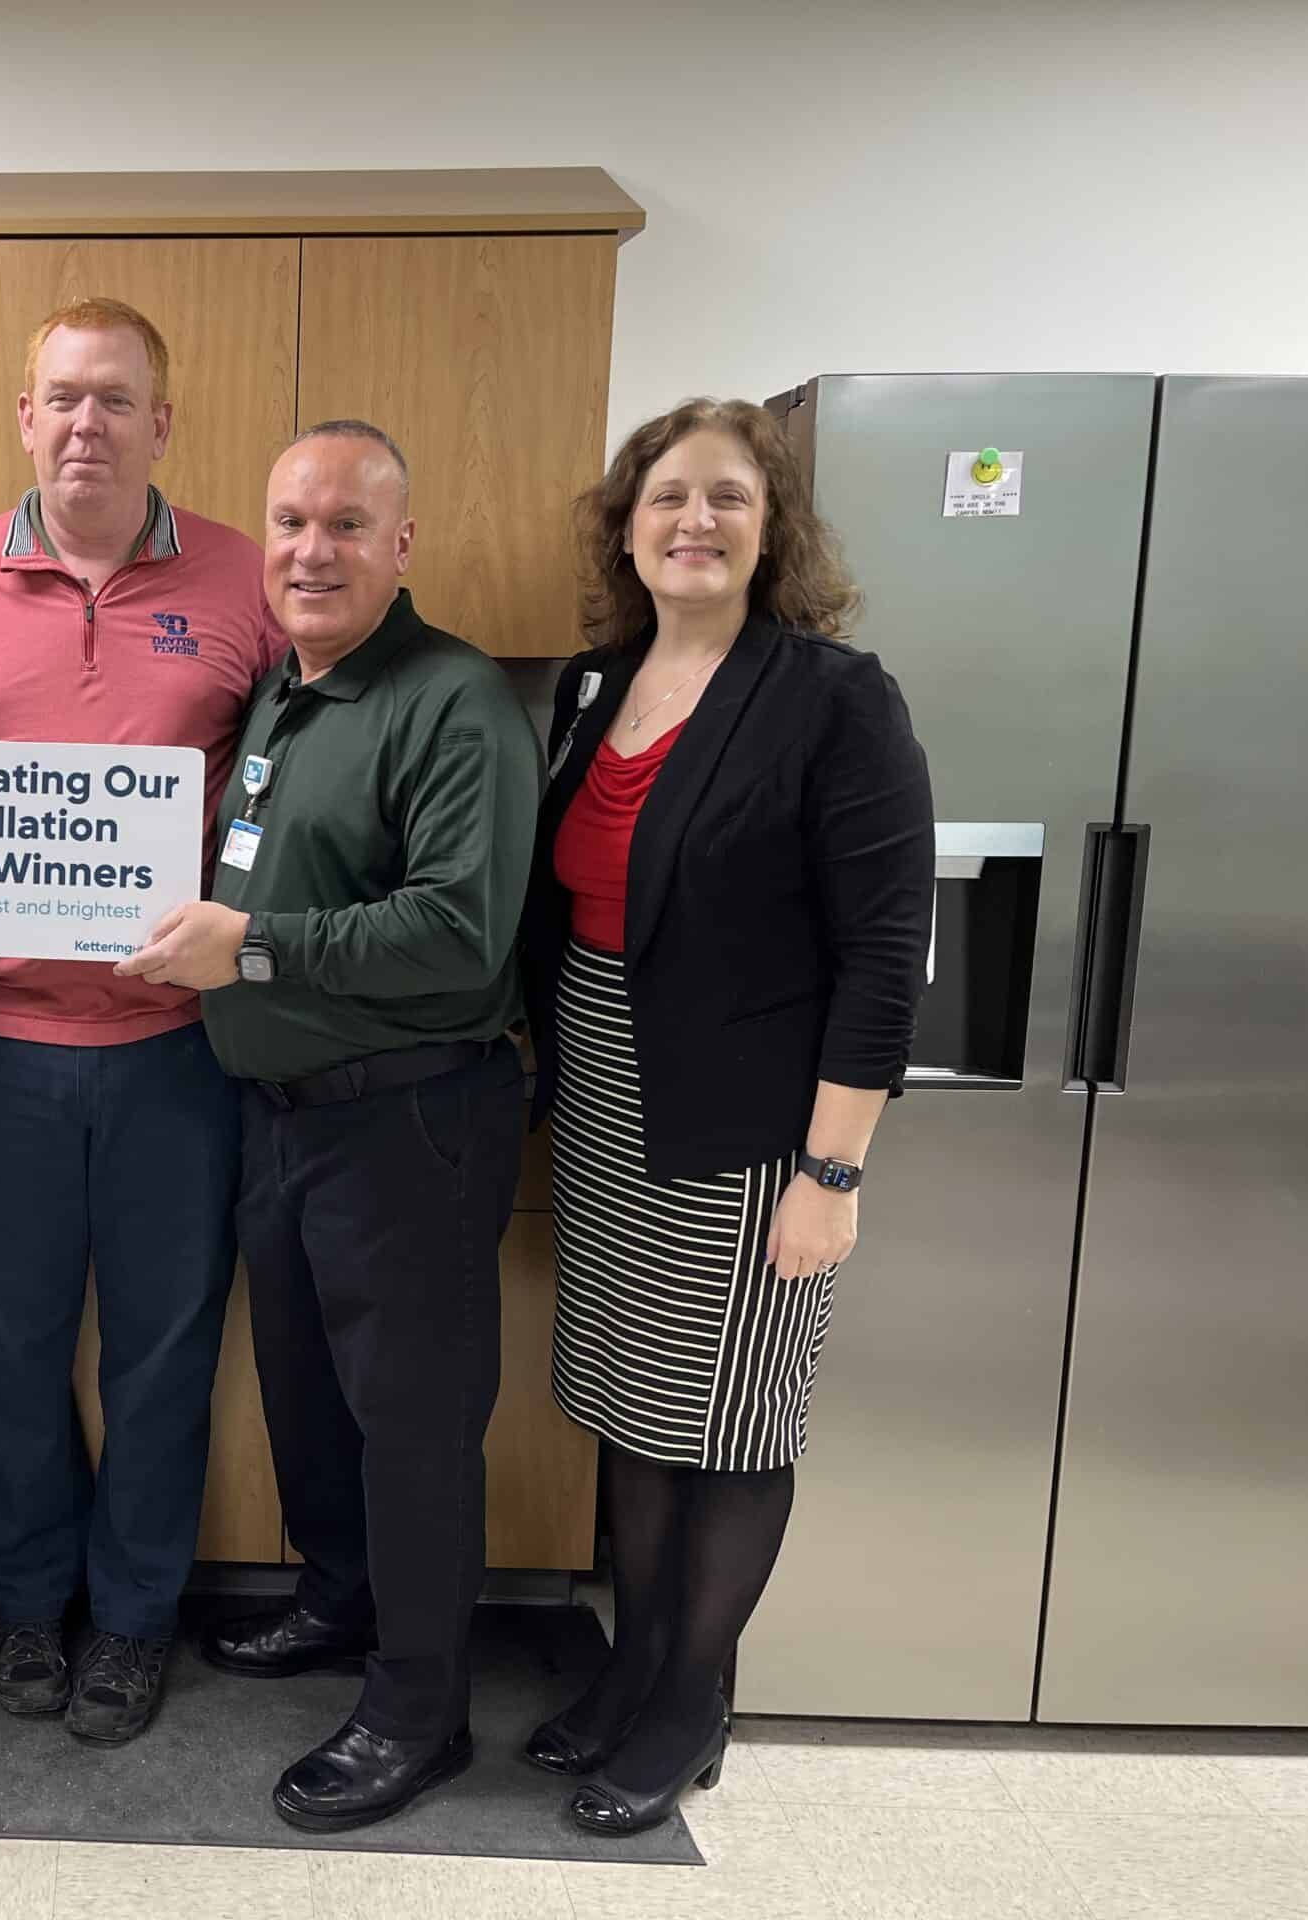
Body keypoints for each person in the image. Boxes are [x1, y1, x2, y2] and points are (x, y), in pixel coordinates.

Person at [518, 398, 933, 1835]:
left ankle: (695, 1701)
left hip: (760, 1123)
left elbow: (887, 951)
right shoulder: (596, 685)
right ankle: (635, 1672)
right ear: (626, 525)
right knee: (641, 1406)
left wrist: (833, 1167)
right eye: (668, 497)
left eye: (729, 499)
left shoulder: (830, 694)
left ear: (775, 529)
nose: (694, 521)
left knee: (738, 1420)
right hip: (610, 1101)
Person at [121, 420, 540, 1832]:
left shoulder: (453, 701)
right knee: (311, 1404)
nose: (312, 550)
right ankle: (344, 1606)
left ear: (401, 544)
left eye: (347, 525)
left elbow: (460, 934)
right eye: (291, 522)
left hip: (407, 1122)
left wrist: (246, 951)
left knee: (412, 1427)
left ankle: (421, 1713)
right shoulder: (290, 698)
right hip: (281, 1120)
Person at [0, 297, 282, 1744]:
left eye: (116, 400)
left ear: (161, 424)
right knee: (7, 1353)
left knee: (166, 1356)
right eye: (62, 398)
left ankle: (130, 1625)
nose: (86, 425)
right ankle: (22, 1608)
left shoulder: (246, 578)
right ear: (25, 417)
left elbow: (279, 787)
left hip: (181, 1053)